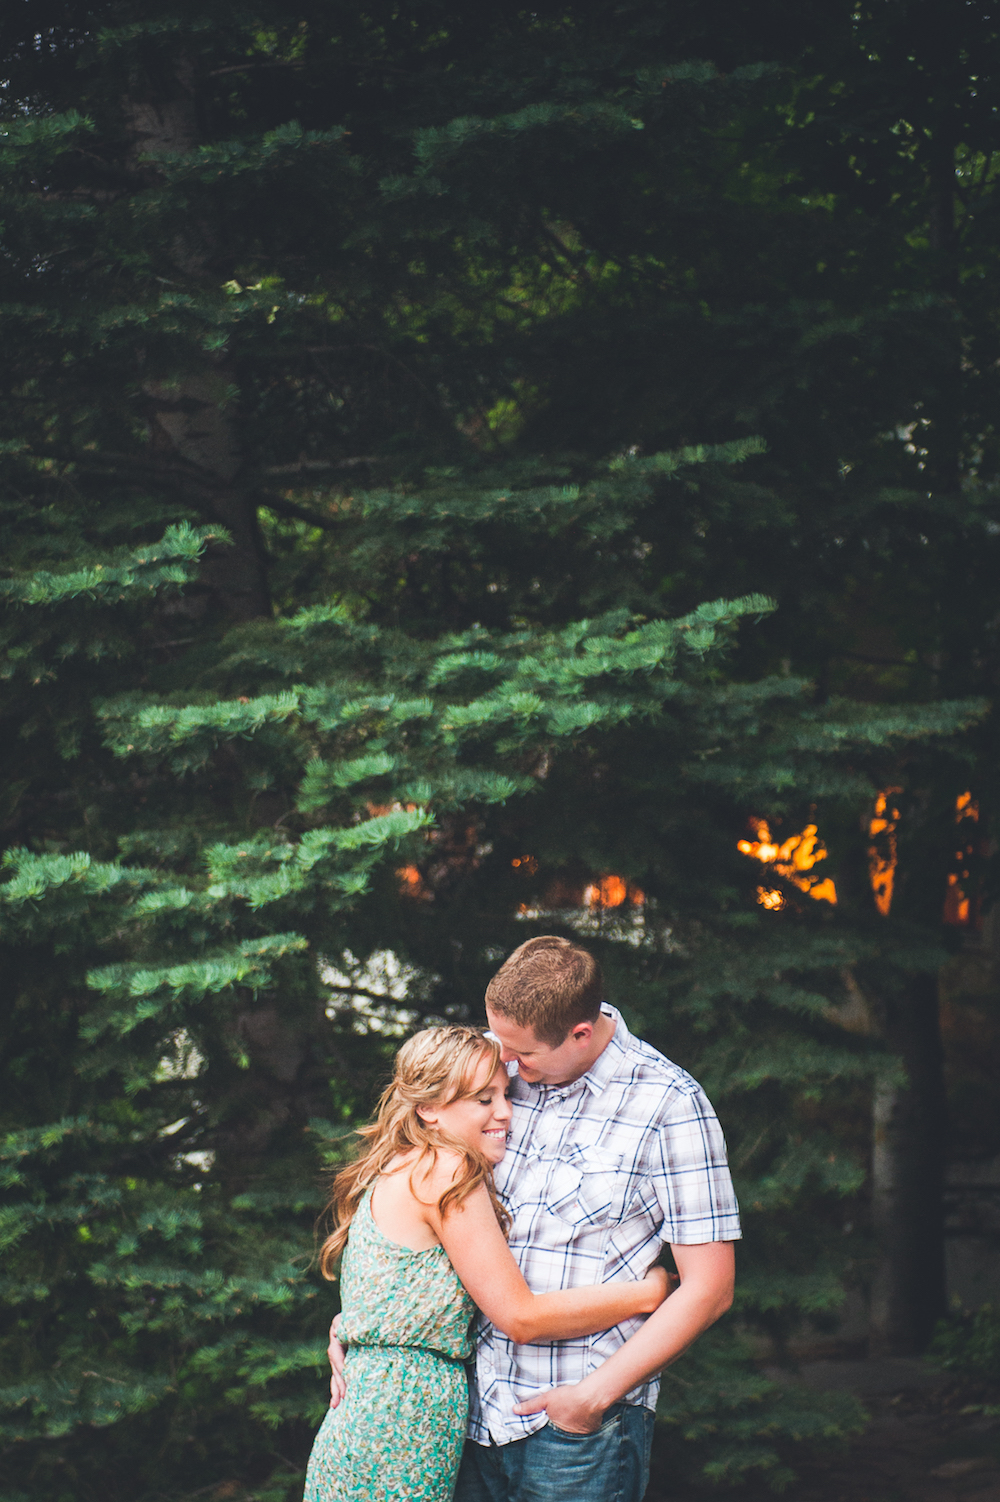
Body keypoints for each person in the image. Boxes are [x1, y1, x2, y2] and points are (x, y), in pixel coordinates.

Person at [305, 1023, 673, 1502]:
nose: (505, 1113)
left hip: (370, 1415)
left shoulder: (401, 1162)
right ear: (429, 1108)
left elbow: (390, 1293)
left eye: (506, 1094)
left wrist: (347, 1328)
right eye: (483, 1100)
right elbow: (521, 1317)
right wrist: (651, 1291)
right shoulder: (446, 1169)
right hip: (397, 1426)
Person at [450, 935, 742, 1502]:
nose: (505, 1063)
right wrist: (366, 1322)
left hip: (573, 1435)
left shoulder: (669, 1105)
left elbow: (710, 1289)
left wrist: (590, 1400)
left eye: (523, 1055)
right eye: (498, 1042)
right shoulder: (491, 1067)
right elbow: (409, 1178)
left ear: (580, 1034)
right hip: (466, 1414)